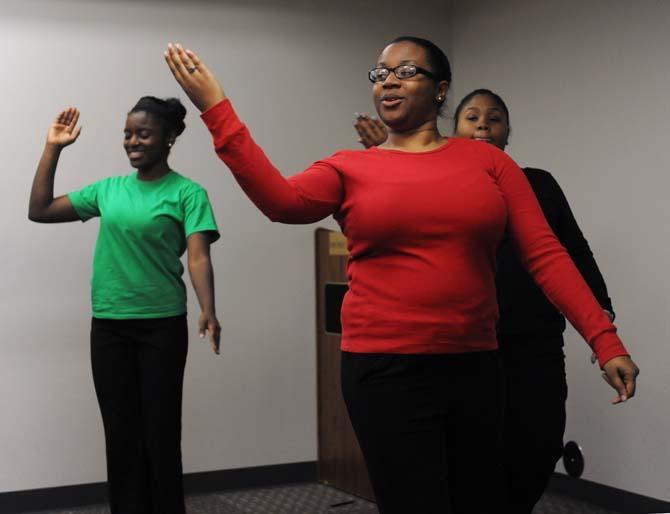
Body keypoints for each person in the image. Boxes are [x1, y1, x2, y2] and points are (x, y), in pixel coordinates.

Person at [164, 38, 638, 514]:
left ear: (440, 90)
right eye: (380, 73)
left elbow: (546, 254)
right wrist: (216, 109)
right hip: (383, 369)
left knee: (480, 500)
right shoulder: (349, 167)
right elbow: (280, 202)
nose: (388, 80)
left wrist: (605, 340)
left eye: (406, 71)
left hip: (475, 365)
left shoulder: (490, 164)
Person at [355, 88, 623, 513]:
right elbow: (407, 218)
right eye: (472, 117)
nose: (483, 124)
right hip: (472, 345)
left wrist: (600, 316)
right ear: (452, 129)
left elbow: (572, 250)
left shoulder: (539, 183)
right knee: (469, 459)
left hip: (535, 340)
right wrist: (388, 155)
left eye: (494, 118)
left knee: (537, 447)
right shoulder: (439, 178)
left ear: (507, 133)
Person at [28, 97, 221, 514]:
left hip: (162, 327)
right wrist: (53, 148)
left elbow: (199, 255)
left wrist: (208, 307)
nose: (132, 141)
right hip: (110, 327)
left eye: (143, 133)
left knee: (161, 432)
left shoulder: (188, 193)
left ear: (169, 138)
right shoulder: (108, 190)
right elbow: (39, 210)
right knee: (121, 434)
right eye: (128, 134)